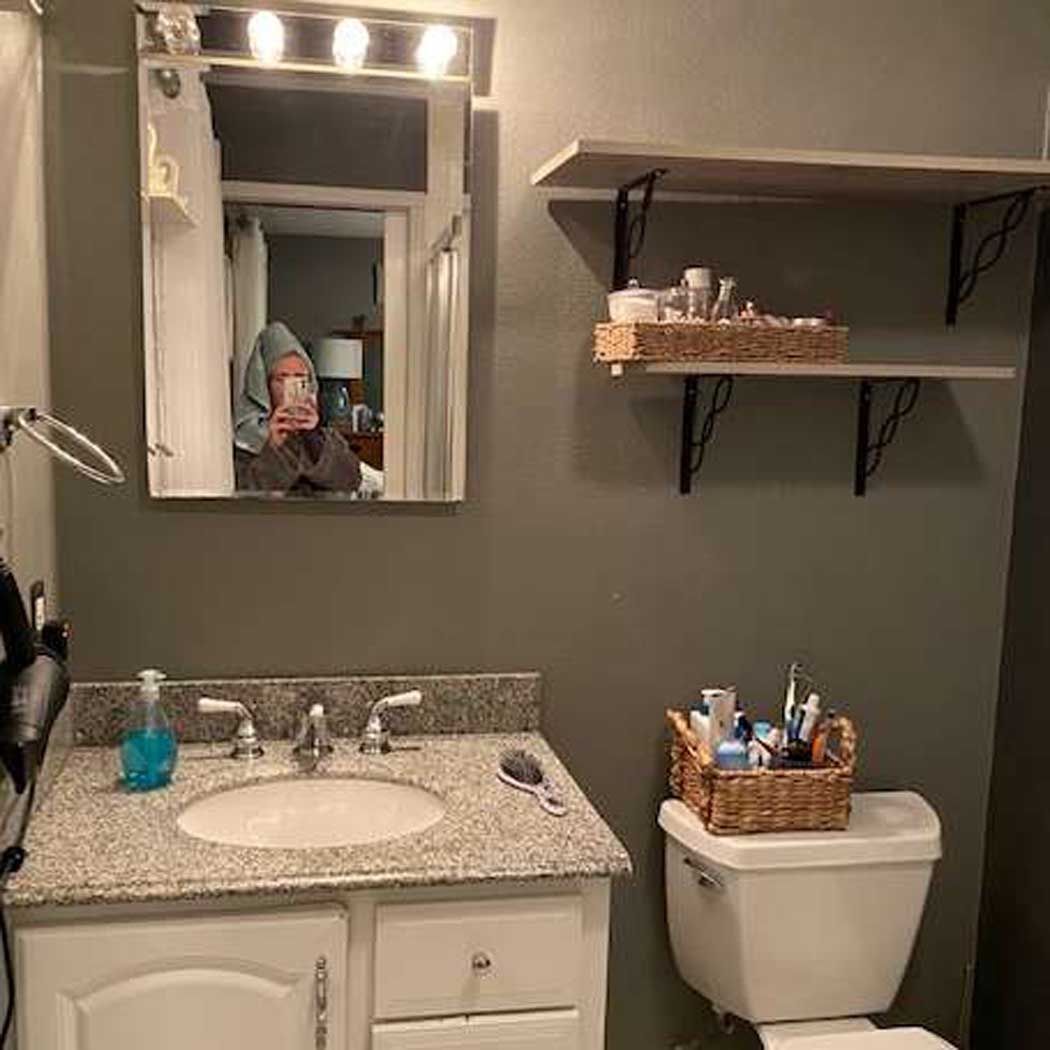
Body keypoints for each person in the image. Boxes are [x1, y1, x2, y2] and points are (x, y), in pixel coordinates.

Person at [233, 322, 364, 495]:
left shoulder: (325, 437)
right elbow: (245, 496)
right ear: (263, 385)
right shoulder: (246, 438)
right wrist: (272, 448)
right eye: (282, 378)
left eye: (300, 377)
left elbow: (352, 481)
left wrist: (314, 439)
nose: (292, 386)